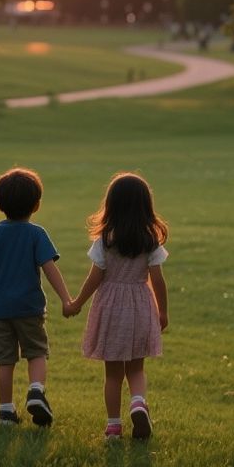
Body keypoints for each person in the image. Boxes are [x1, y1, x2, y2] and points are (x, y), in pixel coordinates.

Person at [64, 172, 169, 440]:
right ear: (146, 206)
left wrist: (76, 303)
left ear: (111, 205)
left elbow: (95, 276)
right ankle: (137, 402)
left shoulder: (105, 240)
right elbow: (157, 279)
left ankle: (113, 426)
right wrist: (162, 311)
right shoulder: (150, 241)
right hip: (140, 306)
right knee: (136, 368)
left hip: (111, 307)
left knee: (112, 373)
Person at [0, 167, 71, 427]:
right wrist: (66, 299)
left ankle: (6, 411)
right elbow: (49, 268)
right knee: (36, 353)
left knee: (4, 360)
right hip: (30, 308)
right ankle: (36, 390)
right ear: (36, 204)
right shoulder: (36, 234)